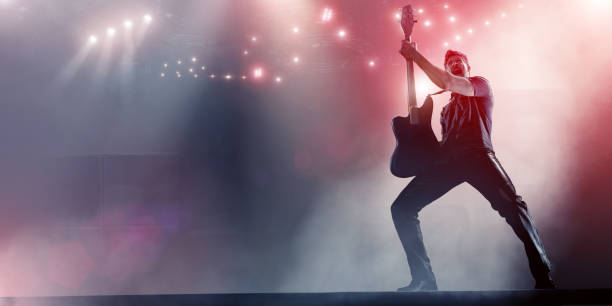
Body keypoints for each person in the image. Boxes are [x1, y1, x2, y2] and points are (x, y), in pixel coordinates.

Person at [391, 41, 555, 291]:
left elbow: (448, 83)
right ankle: (424, 279)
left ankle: (544, 278)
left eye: (460, 61)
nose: (455, 63)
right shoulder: (444, 111)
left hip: (479, 156)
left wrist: (415, 55)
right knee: (401, 208)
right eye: (450, 62)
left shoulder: (480, 85)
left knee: (515, 208)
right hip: (449, 163)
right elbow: (438, 145)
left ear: (468, 67)